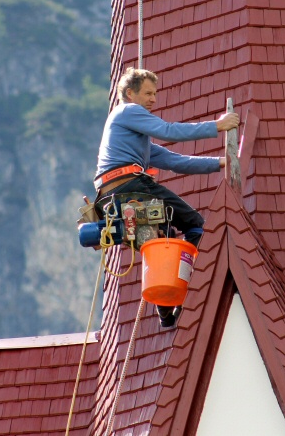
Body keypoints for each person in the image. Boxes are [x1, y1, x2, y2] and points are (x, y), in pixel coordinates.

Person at [94, 67, 239, 327]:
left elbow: (175, 161)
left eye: (155, 94)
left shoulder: (135, 140)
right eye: (148, 93)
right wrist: (217, 126)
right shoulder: (128, 111)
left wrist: (221, 163)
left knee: (165, 240)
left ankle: (166, 311)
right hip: (130, 186)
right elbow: (170, 131)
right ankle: (191, 284)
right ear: (130, 93)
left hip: (113, 194)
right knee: (195, 224)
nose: (153, 99)